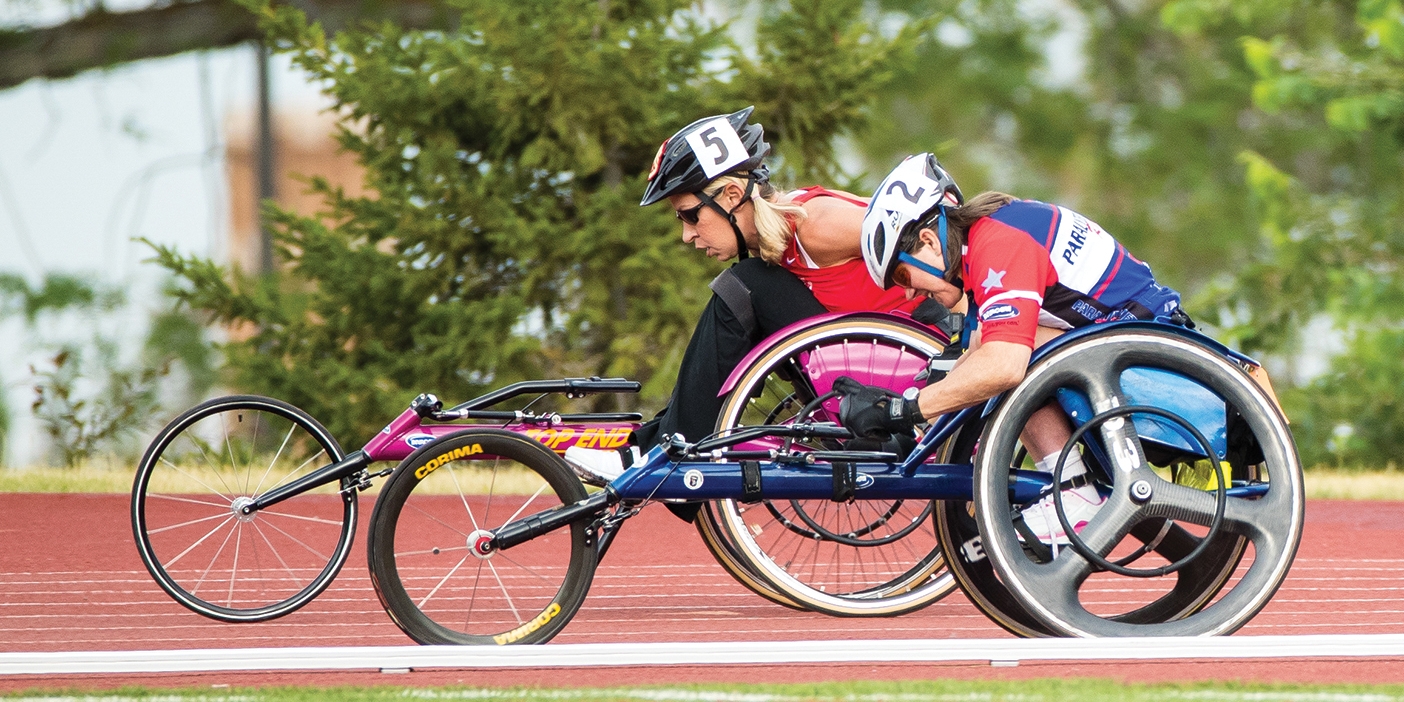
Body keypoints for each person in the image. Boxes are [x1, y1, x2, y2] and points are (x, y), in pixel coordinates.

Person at [565, 108, 948, 487]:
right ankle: (663, 442)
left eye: (691, 216)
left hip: (908, 376)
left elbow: (937, 231)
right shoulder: (780, 244)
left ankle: (664, 450)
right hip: (862, 375)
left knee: (746, 285)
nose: (687, 235)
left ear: (732, 194)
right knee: (752, 284)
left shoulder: (815, 225)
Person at [836, 153, 1187, 543]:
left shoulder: (999, 241)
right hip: (1123, 344)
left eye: (902, 274)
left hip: (1151, 355)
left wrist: (903, 410)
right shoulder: (986, 244)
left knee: (1002, 352)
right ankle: (1070, 485)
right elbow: (967, 374)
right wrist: (908, 429)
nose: (908, 291)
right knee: (982, 354)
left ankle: (1073, 491)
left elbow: (1001, 365)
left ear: (929, 241)